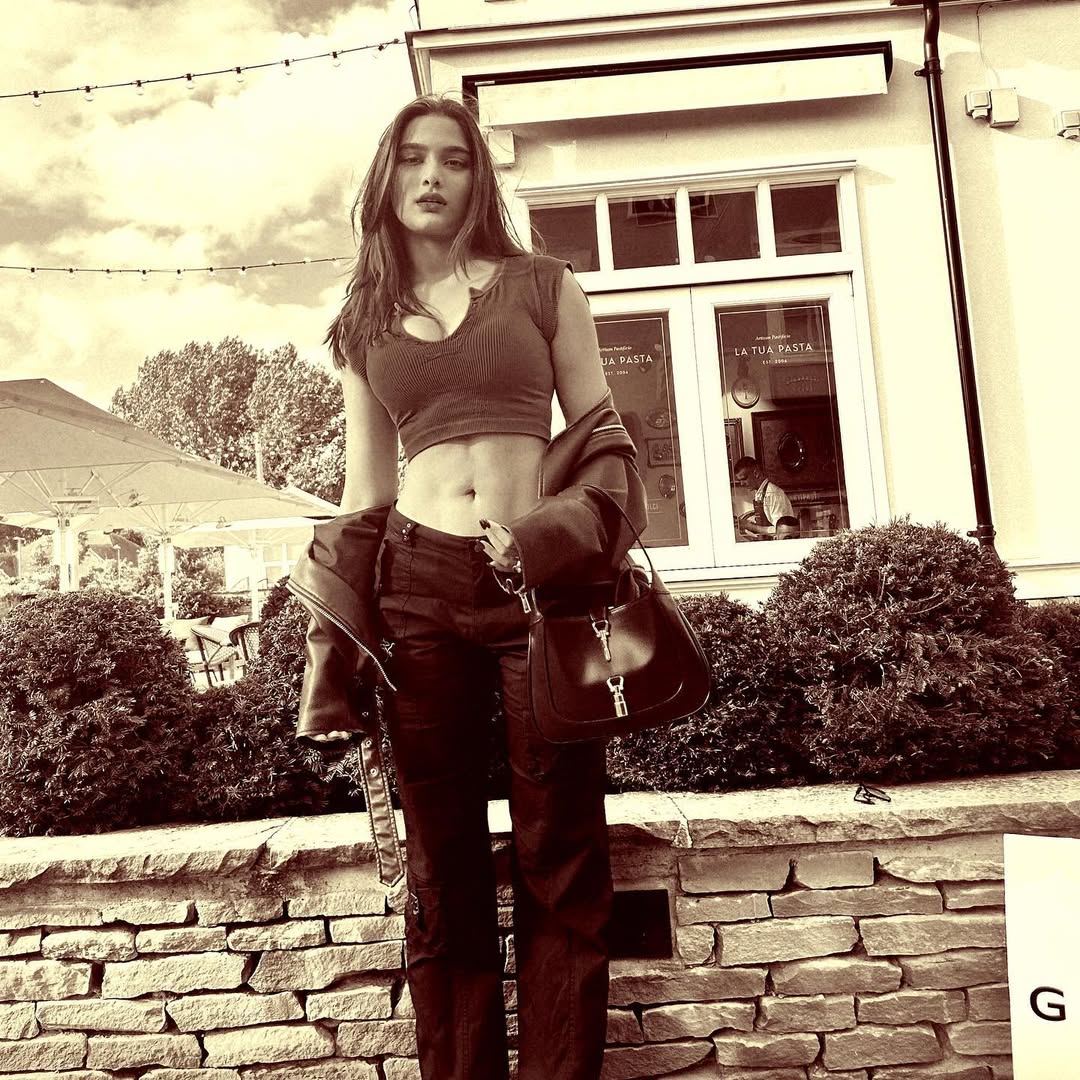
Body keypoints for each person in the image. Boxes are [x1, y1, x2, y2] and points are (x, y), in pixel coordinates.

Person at [287, 94, 646, 1080]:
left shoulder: (543, 286)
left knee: (559, 843)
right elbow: (364, 493)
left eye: (453, 159)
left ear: (478, 179)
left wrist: (552, 538)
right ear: (386, 179)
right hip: (418, 584)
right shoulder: (361, 323)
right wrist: (330, 649)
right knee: (441, 859)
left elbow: (603, 439)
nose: (432, 176)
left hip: (540, 586)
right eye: (413, 159)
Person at [733, 455, 798, 540]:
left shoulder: (773, 494)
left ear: (756, 473)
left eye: (744, 479)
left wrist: (750, 526)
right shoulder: (760, 493)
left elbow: (781, 531)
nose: (742, 484)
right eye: (740, 480)